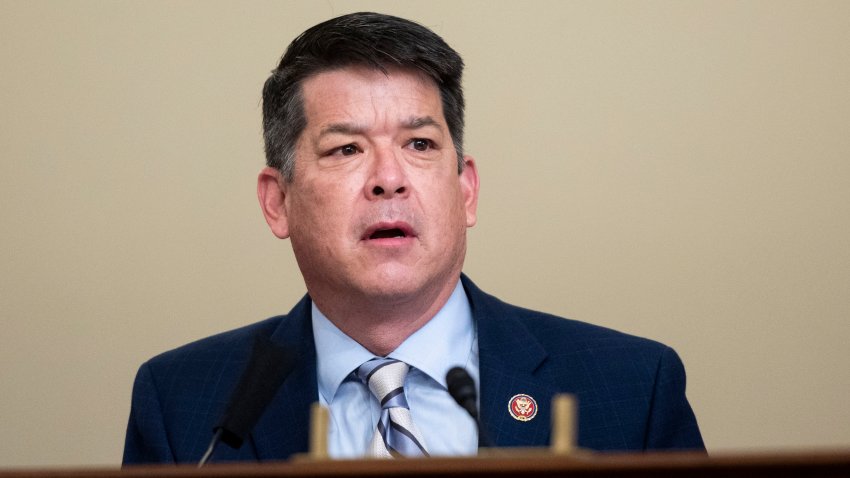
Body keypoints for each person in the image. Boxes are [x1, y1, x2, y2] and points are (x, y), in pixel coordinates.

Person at [123, 12, 703, 464]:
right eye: (346, 148)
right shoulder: (184, 403)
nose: (389, 179)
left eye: (420, 144)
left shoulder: (631, 388)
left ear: (466, 190)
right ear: (278, 203)